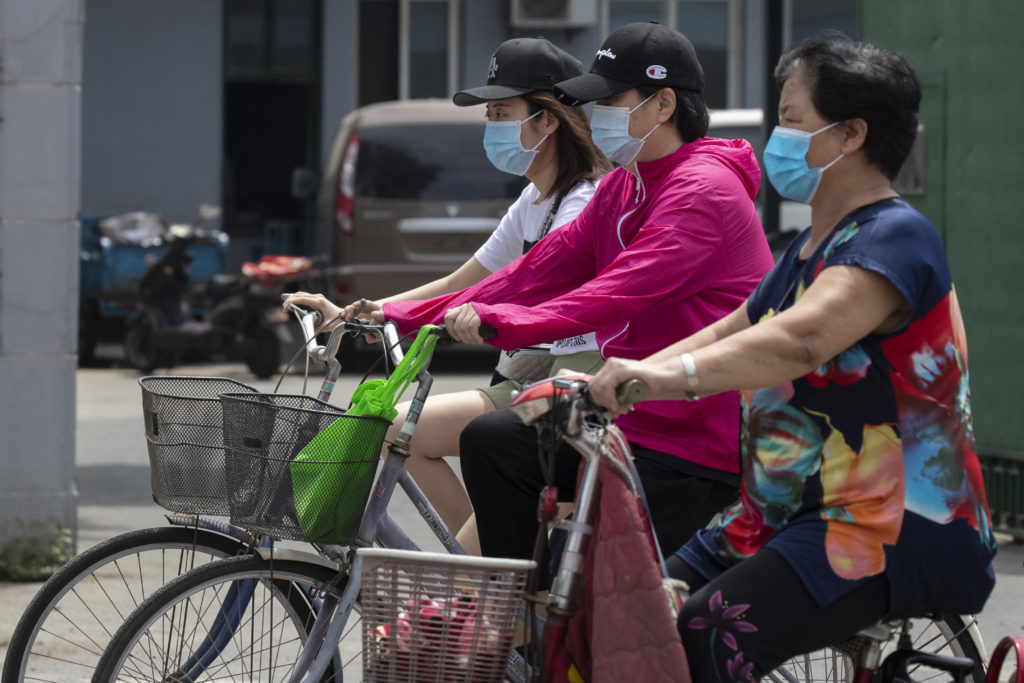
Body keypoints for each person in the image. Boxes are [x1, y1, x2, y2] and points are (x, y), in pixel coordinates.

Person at [587, 32, 997, 680]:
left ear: (850, 134)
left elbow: (799, 338)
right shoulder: (808, 245)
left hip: (884, 524)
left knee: (702, 635)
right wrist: (616, 379)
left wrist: (661, 379)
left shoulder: (895, 239)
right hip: (777, 515)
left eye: (789, 117)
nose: (776, 135)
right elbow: (732, 329)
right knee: (620, 615)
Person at [375, 22, 775, 572]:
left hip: (690, 437)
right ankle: (514, 612)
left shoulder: (702, 189)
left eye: (611, 99)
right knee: (493, 440)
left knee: (596, 602)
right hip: (625, 415)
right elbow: (535, 270)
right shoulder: (624, 186)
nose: (597, 115)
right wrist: (396, 314)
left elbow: (611, 295)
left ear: (663, 104)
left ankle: (530, 621)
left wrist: (498, 322)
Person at [284, 37, 610, 544]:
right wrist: (366, 313)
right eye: (490, 114)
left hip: (572, 382)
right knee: (397, 431)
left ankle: (484, 573)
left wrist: (448, 315)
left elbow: (524, 288)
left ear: (548, 120)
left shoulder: (583, 201)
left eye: (502, 112)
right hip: (526, 378)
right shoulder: (533, 199)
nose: (492, 125)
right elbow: (465, 279)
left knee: (462, 519)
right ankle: (486, 565)